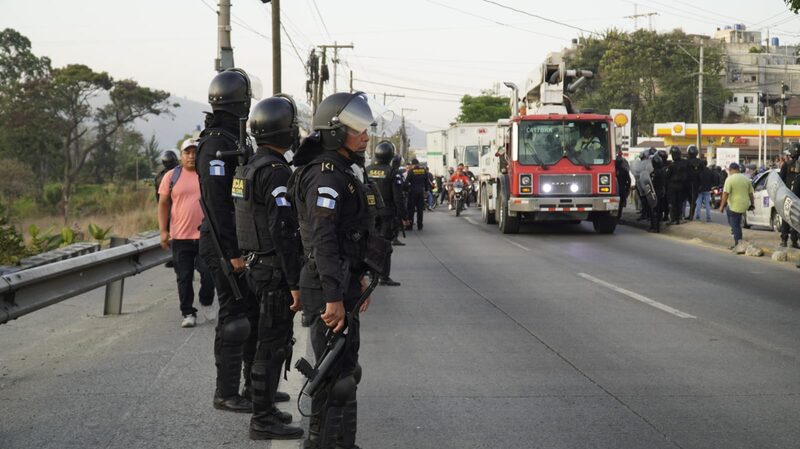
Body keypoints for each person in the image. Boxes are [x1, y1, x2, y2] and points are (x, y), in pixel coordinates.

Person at [290, 91, 380, 449]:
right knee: (334, 375)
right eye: (356, 128)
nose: (365, 134)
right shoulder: (326, 177)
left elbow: (348, 235)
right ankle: (327, 443)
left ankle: (335, 441)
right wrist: (333, 297)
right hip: (328, 283)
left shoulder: (344, 170)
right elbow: (323, 239)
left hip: (342, 279)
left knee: (343, 370)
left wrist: (357, 276)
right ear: (334, 131)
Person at [232, 95, 305, 440]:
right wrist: (295, 281)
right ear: (285, 132)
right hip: (273, 270)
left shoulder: (247, 168)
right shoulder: (276, 172)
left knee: (262, 340)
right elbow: (282, 229)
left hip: (253, 266)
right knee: (272, 344)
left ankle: (264, 406)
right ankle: (262, 419)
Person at [197, 68, 259, 413]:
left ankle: (253, 386)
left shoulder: (234, 140)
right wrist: (233, 253)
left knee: (252, 313)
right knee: (234, 318)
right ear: (240, 101)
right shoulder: (214, 145)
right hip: (223, 244)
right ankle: (226, 392)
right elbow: (218, 204)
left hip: (240, 242)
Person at [158, 138, 216, 328]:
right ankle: (188, 312)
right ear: (181, 155)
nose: (191, 156)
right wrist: (163, 231)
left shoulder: (206, 174)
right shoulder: (171, 177)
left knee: (208, 274)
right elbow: (163, 204)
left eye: (195, 152)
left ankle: (206, 301)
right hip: (180, 237)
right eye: (187, 152)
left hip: (205, 237)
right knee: (183, 277)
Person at [367, 140, 406, 286]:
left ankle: (371, 273)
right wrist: (403, 216)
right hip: (386, 214)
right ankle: (383, 276)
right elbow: (398, 197)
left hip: (370, 214)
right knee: (385, 246)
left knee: (371, 244)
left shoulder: (367, 169)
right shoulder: (392, 173)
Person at [719, 162, 754, 250]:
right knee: (733, 219)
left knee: (736, 225)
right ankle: (734, 231)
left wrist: (721, 206)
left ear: (730, 170)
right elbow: (751, 194)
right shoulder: (746, 179)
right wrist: (752, 204)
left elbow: (725, 194)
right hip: (744, 205)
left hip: (735, 205)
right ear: (738, 170)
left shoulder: (729, 179)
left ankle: (738, 244)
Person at [778, 144, 800, 248]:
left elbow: (780, 181)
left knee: (786, 218)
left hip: (787, 196)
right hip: (798, 197)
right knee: (796, 218)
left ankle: (784, 239)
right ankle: (794, 241)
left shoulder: (786, 165)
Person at [405, 158, 430, 230]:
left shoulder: (411, 171)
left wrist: (406, 189)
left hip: (412, 192)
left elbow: (406, 183)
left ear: (412, 164)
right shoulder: (424, 171)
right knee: (420, 210)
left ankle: (410, 226)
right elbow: (426, 182)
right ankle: (420, 226)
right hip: (421, 192)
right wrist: (426, 191)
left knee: (411, 210)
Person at [666, 146, 688, 225]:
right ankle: (678, 218)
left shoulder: (672, 165)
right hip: (682, 186)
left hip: (673, 187)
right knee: (680, 203)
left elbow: (667, 176)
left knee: (672, 203)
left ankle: (674, 219)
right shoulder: (685, 163)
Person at [685, 145, 702, 220]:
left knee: (686, 200)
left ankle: (685, 215)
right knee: (693, 200)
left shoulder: (686, 161)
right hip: (696, 184)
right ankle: (691, 215)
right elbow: (702, 174)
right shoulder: (700, 162)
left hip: (687, 184)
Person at [614, 151, 631, 220]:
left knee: (619, 204)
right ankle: (618, 216)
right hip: (621, 189)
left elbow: (629, 180)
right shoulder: (624, 169)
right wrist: (627, 187)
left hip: (617, 189)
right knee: (620, 204)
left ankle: (617, 216)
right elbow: (629, 180)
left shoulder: (614, 170)